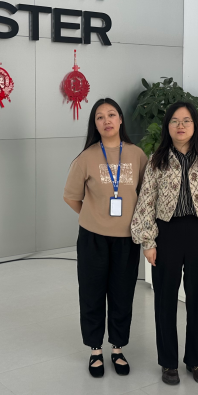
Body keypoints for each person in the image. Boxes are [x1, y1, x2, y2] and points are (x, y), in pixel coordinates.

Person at [131, 102, 198, 385]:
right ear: (167, 126)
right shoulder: (157, 160)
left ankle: (196, 361)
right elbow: (146, 201)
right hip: (167, 233)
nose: (181, 126)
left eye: (186, 120)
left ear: (194, 125)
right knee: (165, 300)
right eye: (175, 121)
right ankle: (168, 363)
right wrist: (148, 242)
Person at [64, 98, 148, 378]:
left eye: (111, 114)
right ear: (95, 124)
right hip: (93, 238)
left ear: (121, 119)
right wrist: (93, 216)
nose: (106, 120)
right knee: (92, 294)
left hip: (127, 239)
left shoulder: (137, 155)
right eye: (100, 117)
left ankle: (118, 348)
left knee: (122, 294)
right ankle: (95, 350)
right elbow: (71, 196)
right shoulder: (86, 157)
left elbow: (147, 195)